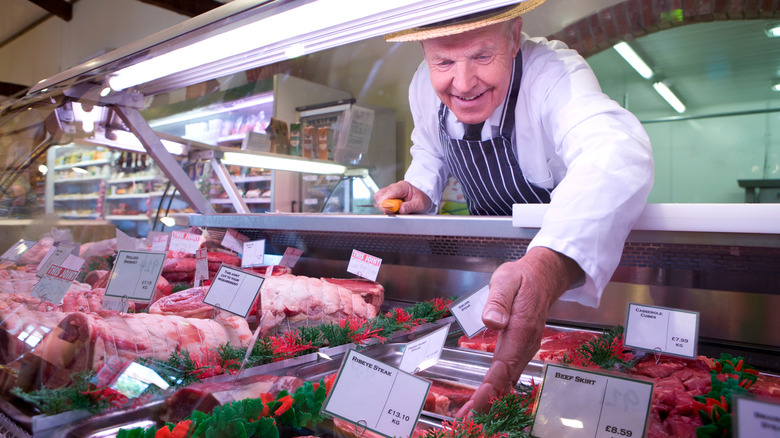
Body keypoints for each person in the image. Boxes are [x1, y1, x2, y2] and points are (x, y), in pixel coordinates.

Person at [375, 0, 654, 416]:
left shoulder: (553, 72)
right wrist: (421, 188)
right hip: (489, 278)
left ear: (513, 35)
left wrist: (547, 266)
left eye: (482, 56)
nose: (463, 82)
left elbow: (615, 151)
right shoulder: (422, 85)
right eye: (444, 61)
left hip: (565, 276)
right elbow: (429, 149)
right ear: (425, 54)